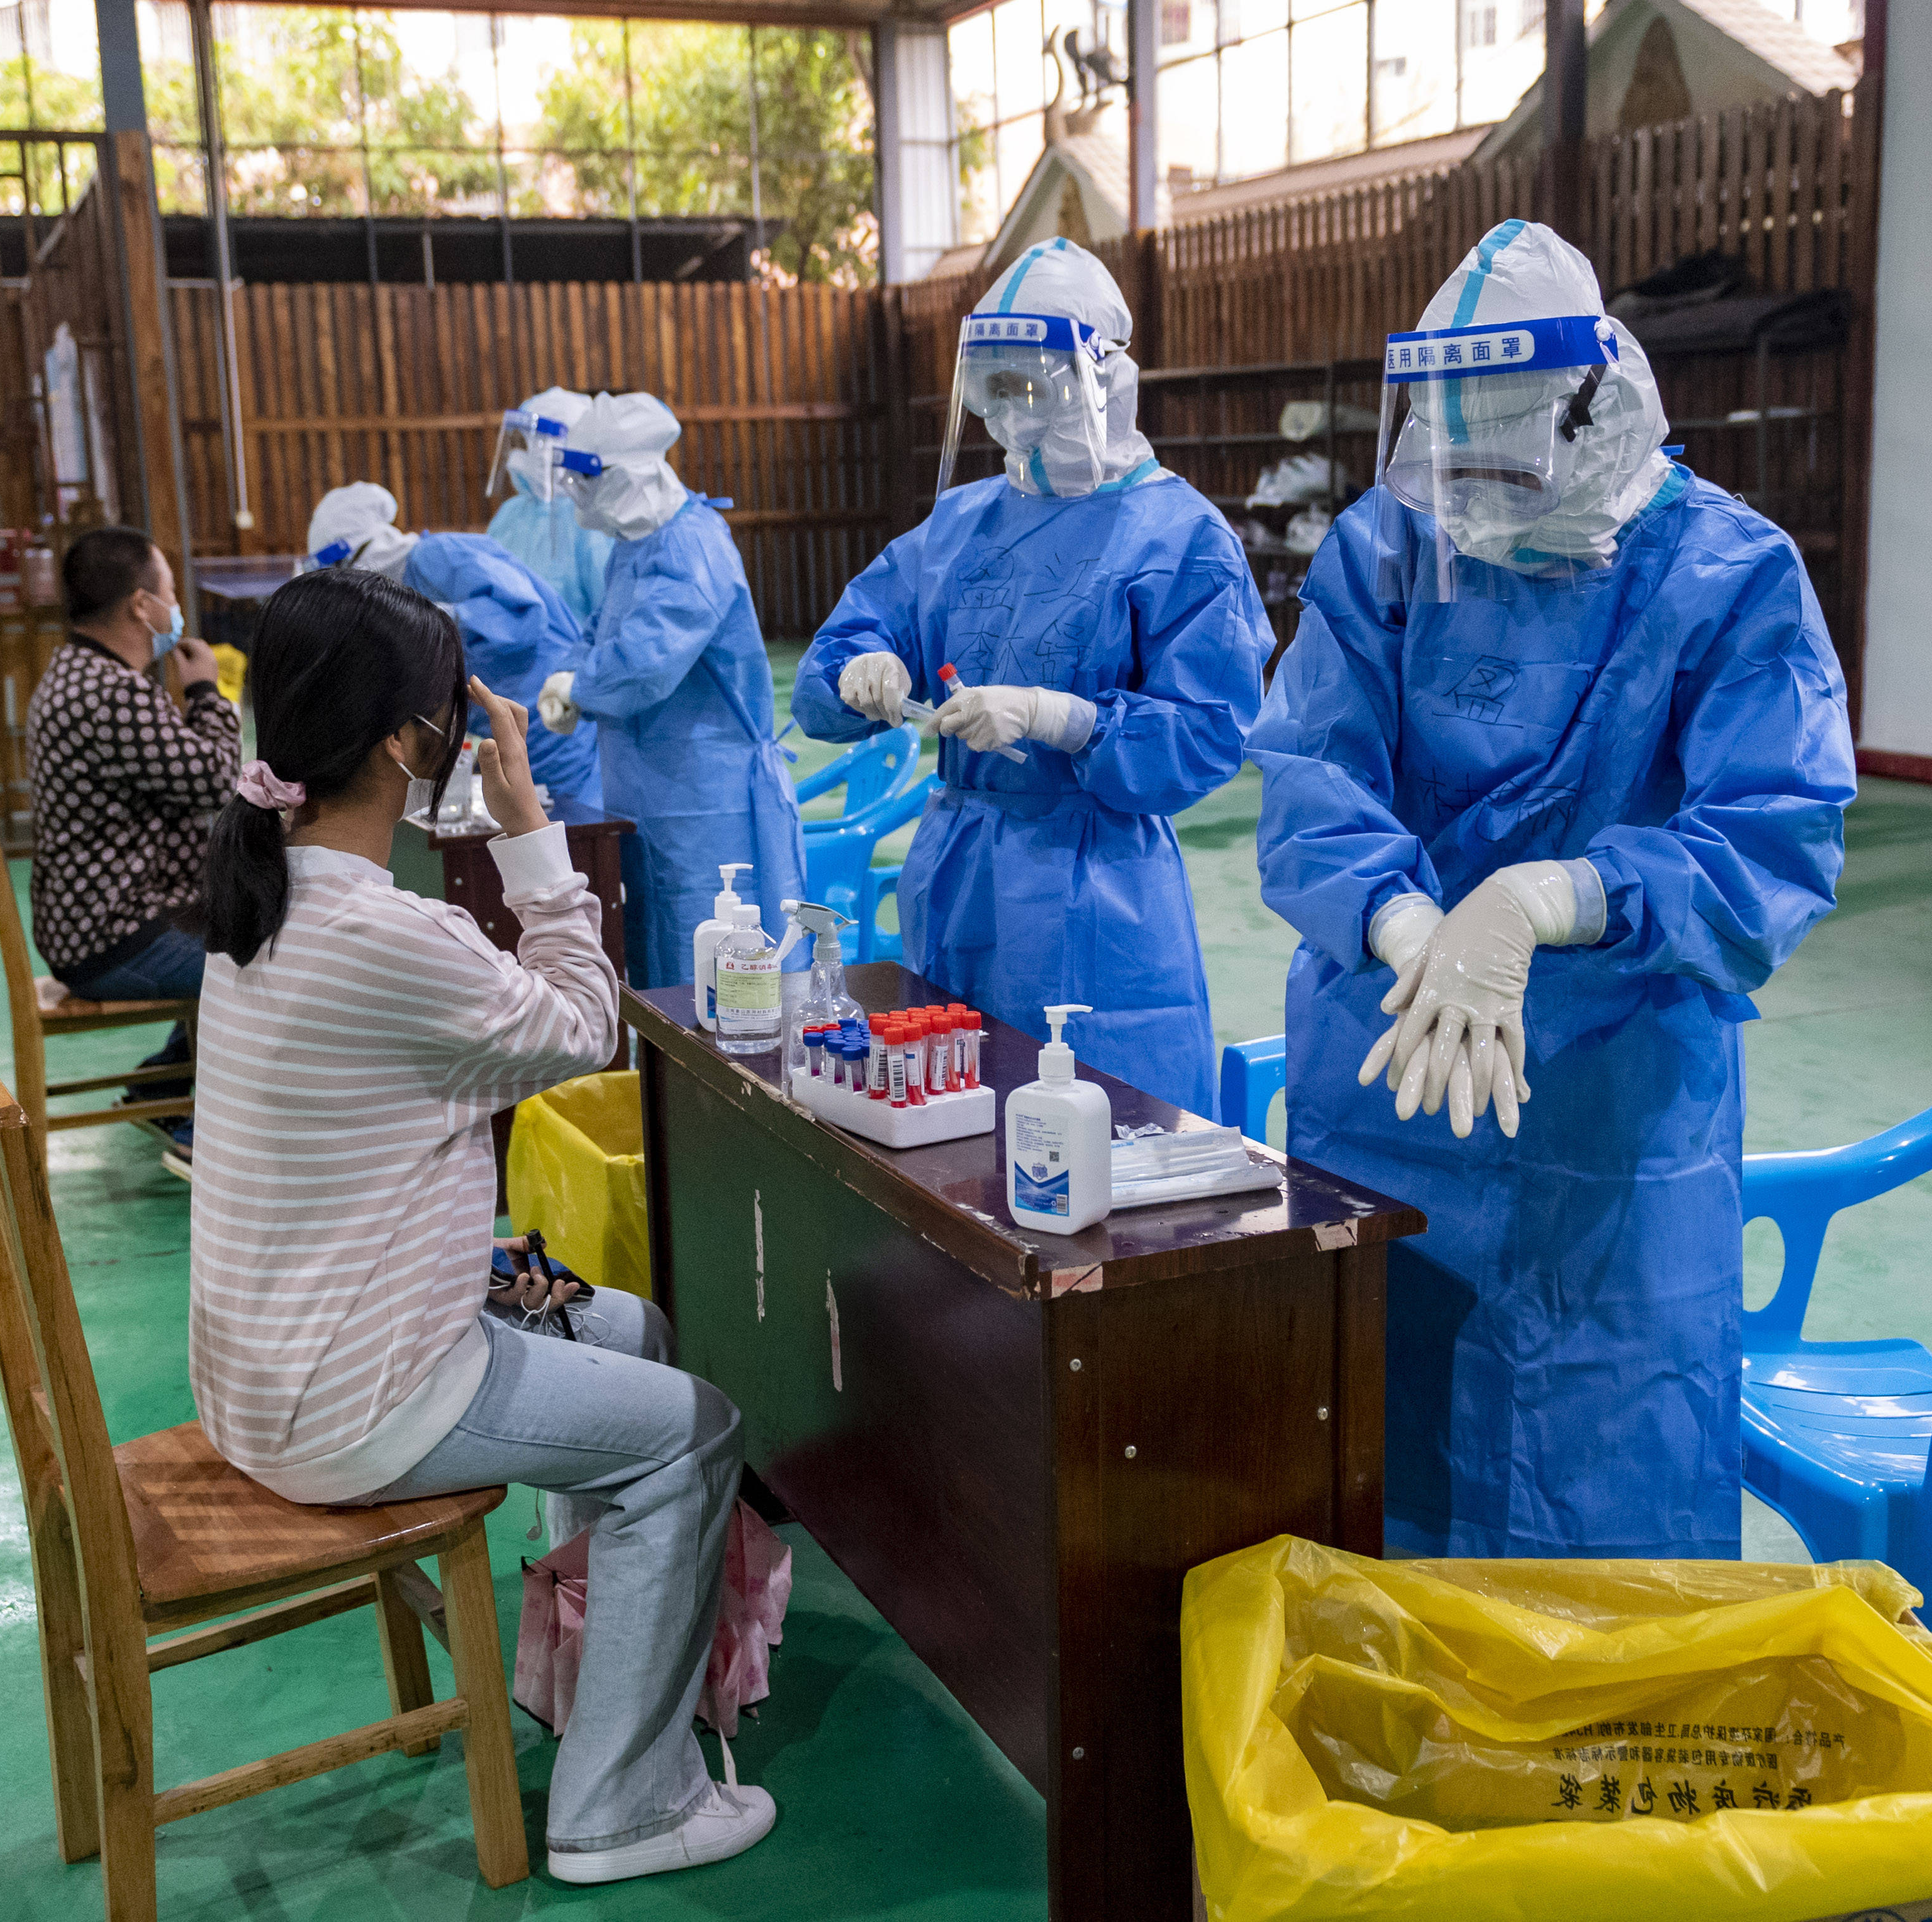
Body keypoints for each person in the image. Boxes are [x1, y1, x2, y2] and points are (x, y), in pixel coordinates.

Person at [1250, 220, 1856, 1561]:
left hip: (1610, 1117)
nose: (1473, 511)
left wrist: (1545, 901)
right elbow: (1308, 773)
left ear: (1596, 417)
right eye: (1449, 471)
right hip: (1393, 1072)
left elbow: (1776, 837)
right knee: (1381, 1446)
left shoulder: (1728, 576)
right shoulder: (1393, 548)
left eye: (1505, 470)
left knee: (1598, 1468)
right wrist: (1406, 920)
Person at [189, 568, 773, 1884]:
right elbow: (587, 1023)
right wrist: (529, 833)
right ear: (411, 743)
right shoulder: (385, 933)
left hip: (271, 1364)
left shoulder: (256, 898)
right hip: (351, 1399)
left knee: (630, 1328)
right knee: (696, 1431)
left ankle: (592, 1667)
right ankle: (620, 1810)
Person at [790, 240, 1266, 1114]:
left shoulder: (1182, 538)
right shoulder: (960, 523)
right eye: (993, 387)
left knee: (1101, 1133)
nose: (1010, 410)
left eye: (1031, 383)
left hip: (1099, 884)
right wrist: (861, 666)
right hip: (957, 871)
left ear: (1100, 380)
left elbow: (1204, 734)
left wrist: (1064, 718)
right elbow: (832, 661)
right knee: (947, 1122)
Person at [533, 391, 803, 989]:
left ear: (630, 475)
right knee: (658, 952)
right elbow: (603, 626)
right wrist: (570, 672)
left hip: (707, 797)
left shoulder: (692, 544)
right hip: (648, 789)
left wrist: (580, 684)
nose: (578, 493)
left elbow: (650, 659)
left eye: (587, 478)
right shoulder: (636, 546)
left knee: (711, 955)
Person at [25, 524, 240, 1158]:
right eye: (169, 588)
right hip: (113, 935)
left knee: (232, 922)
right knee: (263, 961)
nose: (176, 604)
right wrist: (207, 690)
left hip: (89, 922)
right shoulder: (110, 692)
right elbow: (216, 780)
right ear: (142, 607)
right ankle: (207, 1132)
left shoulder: (79, 673)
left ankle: (165, 1083)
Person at [305, 482, 601, 812]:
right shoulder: (406, 589)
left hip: (551, 728)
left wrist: (434, 620)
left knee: (571, 837)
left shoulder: (435, 557)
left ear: (356, 558)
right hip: (512, 734)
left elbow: (524, 616)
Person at [486, 384, 619, 628]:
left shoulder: (591, 522)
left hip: (574, 661)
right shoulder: (511, 513)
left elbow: (611, 614)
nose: (541, 455)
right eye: (533, 442)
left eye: (550, 443)